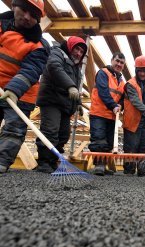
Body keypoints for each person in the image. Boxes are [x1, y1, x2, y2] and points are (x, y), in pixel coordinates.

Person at [0, 0, 49, 174]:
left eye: (34, 16)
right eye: (24, 10)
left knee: (14, 129)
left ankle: (2, 161)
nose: (27, 17)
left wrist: (13, 90)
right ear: (14, 6)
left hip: (21, 93)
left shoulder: (39, 46)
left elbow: (31, 70)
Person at [35, 36, 87, 173]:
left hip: (65, 104)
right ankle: (44, 162)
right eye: (77, 49)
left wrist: (79, 103)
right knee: (50, 130)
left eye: (82, 52)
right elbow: (54, 67)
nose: (79, 54)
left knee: (64, 134)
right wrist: (70, 86)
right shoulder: (57, 53)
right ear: (70, 46)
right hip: (51, 99)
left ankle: (53, 161)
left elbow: (76, 86)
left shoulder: (76, 68)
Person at [88, 52, 126, 176]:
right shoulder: (103, 73)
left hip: (111, 115)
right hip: (99, 113)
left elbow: (122, 98)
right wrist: (113, 105)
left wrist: (121, 105)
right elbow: (103, 92)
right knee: (99, 139)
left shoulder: (121, 81)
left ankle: (103, 166)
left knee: (109, 142)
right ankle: (99, 165)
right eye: (117, 61)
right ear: (112, 60)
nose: (119, 64)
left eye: (121, 63)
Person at [122, 55, 145, 176]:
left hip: (144, 122)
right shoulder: (130, 84)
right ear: (136, 71)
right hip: (132, 121)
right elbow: (135, 101)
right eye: (140, 71)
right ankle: (129, 171)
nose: (143, 74)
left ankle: (143, 170)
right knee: (131, 147)